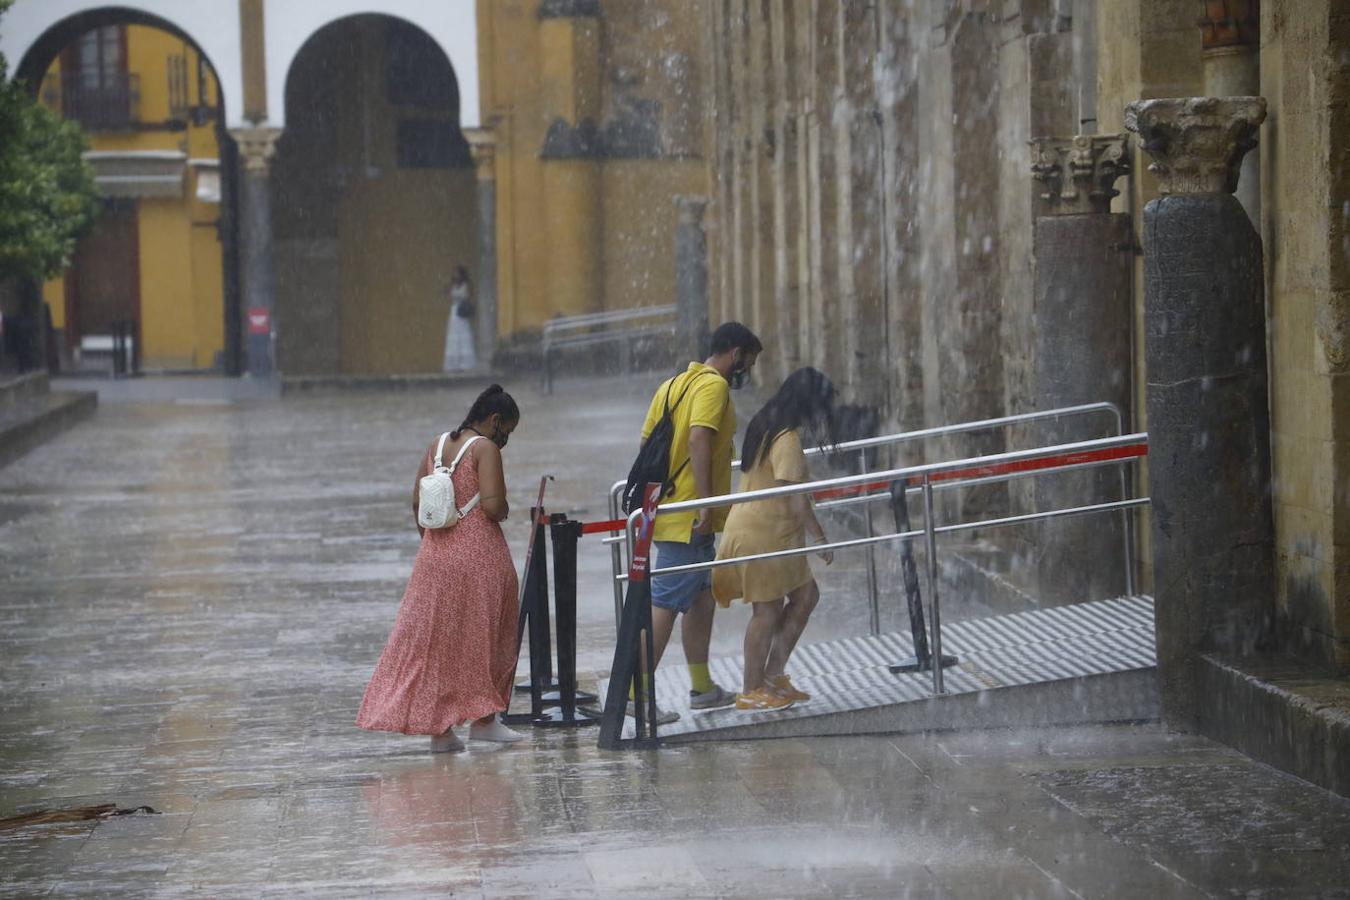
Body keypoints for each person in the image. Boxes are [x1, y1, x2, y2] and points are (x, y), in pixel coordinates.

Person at [357, 385, 524, 751]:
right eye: (506, 431)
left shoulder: (436, 446)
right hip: (481, 558)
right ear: (495, 420)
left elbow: (418, 500)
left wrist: (436, 547)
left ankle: (440, 732)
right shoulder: (485, 449)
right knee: (487, 637)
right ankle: (485, 722)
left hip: (434, 558)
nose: (505, 440)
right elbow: (494, 506)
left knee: (437, 645)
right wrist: (506, 509)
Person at [633, 321, 763, 723]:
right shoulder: (713, 387)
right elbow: (698, 439)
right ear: (735, 353)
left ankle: (702, 686)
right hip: (691, 515)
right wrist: (706, 504)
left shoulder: (672, 386)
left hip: (669, 509)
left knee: (700, 599)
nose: (747, 372)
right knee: (665, 603)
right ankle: (636, 696)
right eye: (749, 362)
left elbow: (646, 446)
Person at [712, 367, 838, 711]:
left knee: (806, 595)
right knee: (766, 611)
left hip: (772, 533)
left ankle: (773, 675)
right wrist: (821, 538)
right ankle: (751, 689)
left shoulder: (770, 424)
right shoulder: (787, 438)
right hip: (762, 535)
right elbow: (794, 497)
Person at [442, 266, 477, 372]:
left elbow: (465, 296)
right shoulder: (454, 285)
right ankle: (454, 364)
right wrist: (450, 284)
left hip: (461, 311)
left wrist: (454, 292)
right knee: (454, 336)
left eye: (457, 273)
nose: (455, 275)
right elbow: (446, 291)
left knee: (462, 336)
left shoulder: (465, 285)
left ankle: (465, 364)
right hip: (454, 312)